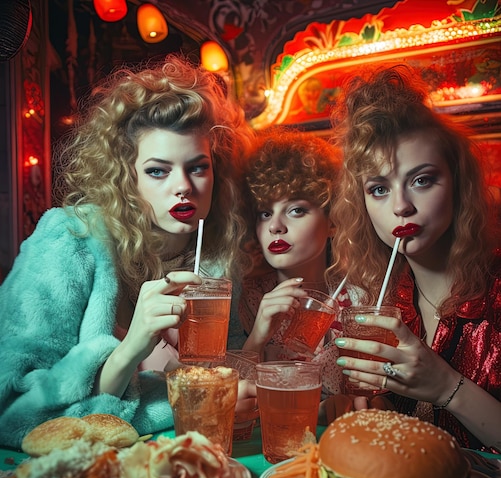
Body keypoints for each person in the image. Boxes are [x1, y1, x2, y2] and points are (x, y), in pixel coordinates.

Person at [0, 54, 256, 449]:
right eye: (158, 170)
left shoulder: (218, 261)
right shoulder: (70, 241)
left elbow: (224, 382)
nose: (183, 186)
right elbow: (13, 413)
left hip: (187, 461)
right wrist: (133, 346)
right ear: (127, 175)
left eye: (198, 167)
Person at [326, 64, 501, 451]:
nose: (401, 206)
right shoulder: (385, 303)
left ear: (458, 183)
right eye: (378, 189)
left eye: (421, 180)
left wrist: (446, 387)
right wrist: (378, 405)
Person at [238, 127, 355, 399]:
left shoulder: (361, 297)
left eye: (296, 210)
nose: (276, 226)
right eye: (265, 213)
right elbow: (232, 399)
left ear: (333, 221)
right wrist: (258, 335)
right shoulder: (247, 299)